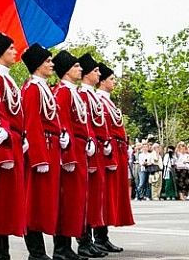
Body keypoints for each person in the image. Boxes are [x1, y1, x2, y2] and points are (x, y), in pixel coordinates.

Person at [0, 30, 27, 260]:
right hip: (2, 148)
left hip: (14, 144)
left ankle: (3, 252)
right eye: (11, 48)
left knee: (7, 205)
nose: (15, 52)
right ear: (1, 52)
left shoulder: (8, 78)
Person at [21, 43, 60, 260]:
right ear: (38, 65)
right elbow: (32, 123)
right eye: (47, 61)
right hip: (41, 150)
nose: (51, 64)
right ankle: (36, 252)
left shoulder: (43, 87)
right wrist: (38, 157)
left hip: (50, 147)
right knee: (34, 204)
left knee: (44, 203)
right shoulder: (32, 88)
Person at [53, 50, 89, 260]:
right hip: (70, 150)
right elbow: (64, 123)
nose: (80, 69)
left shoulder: (72, 91)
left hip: (79, 148)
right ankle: (61, 247)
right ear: (66, 70)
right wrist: (68, 155)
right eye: (76, 66)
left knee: (74, 201)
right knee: (66, 202)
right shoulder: (63, 92)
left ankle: (67, 246)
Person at [96, 63, 133, 251]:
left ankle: (103, 235)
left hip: (117, 151)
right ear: (102, 81)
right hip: (107, 152)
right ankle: (99, 236)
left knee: (111, 195)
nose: (114, 82)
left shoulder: (108, 100)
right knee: (103, 194)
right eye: (111, 79)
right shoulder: (99, 100)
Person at [76, 53, 109, 258]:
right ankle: (84, 240)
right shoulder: (83, 95)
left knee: (94, 197)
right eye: (95, 71)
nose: (99, 74)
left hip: (95, 149)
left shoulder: (92, 96)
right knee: (84, 198)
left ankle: (94, 238)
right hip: (87, 149)